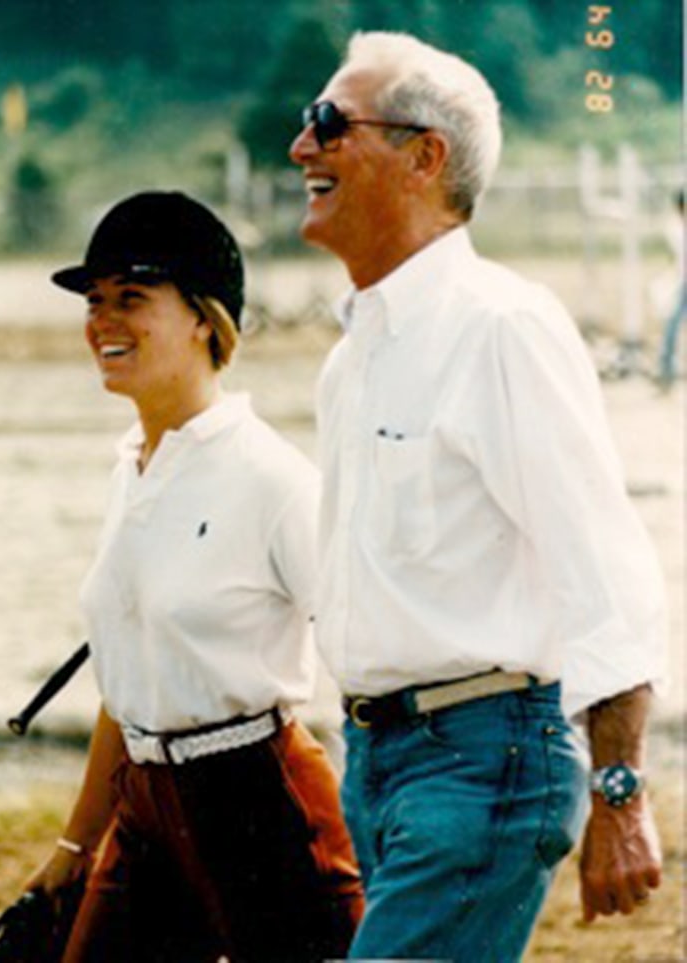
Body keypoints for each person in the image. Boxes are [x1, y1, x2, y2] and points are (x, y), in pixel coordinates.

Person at [289, 31, 668, 962]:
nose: (303, 147)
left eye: (332, 123)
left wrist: (620, 790)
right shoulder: (352, 360)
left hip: (484, 762)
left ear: (426, 157)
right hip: (376, 764)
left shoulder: (502, 329)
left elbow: (604, 565)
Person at [21, 191, 363, 962]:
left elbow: (367, 648)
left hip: (260, 804)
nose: (103, 320)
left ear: (205, 319)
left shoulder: (275, 480)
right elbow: (128, 683)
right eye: (96, 301)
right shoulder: (130, 472)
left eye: (132, 298)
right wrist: (74, 848)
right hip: (143, 807)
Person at [656, 188, 685, 389]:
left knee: (673, 322)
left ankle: (667, 366)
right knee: (673, 323)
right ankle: (666, 367)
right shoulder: (676, 228)